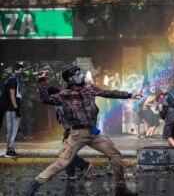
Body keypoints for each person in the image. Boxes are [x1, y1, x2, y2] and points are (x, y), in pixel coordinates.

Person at [22, 64, 142, 196]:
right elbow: (45, 98)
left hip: (93, 133)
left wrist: (130, 95)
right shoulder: (64, 94)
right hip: (77, 134)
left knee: (116, 155)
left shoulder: (89, 88)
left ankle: (121, 189)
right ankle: (34, 184)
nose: (80, 76)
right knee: (63, 162)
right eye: (76, 74)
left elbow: (107, 93)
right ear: (70, 79)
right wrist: (42, 81)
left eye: (80, 73)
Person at [46, 85, 92, 181]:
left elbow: (70, 115)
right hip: (69, 129)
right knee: (67, 151)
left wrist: (70, 130)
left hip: (72, 129)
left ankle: (83, 165)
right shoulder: (58, 101)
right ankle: (71, 173)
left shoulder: (61, 101)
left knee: (66, 152)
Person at [1, 63, 25, 158]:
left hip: (13, 109)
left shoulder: (16, 80)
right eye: (21, 70)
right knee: (11, 130)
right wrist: (16, 108)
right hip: (11, 109)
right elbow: (12, 94)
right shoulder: (13, 80)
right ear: (16, 70)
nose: (22, 72)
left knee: (14, 130)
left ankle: (11, 148)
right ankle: (9, 150)